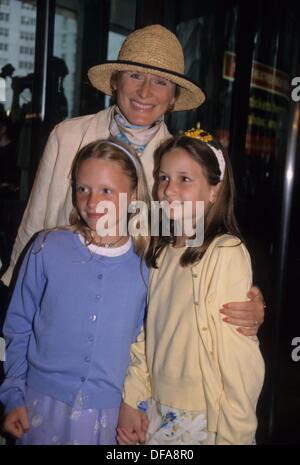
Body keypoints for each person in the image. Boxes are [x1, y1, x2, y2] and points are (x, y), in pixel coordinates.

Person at [1, 24, 263, 332]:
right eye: (135, 75)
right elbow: (35, 225)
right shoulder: (68, 136)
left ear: (174, 98)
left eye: (161, 82)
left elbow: (197, 246)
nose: (145, 92)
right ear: (115, 81)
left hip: (136, 320)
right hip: (59, 308)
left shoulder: (181, 165)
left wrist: (247, 298)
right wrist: (14, 299)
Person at [117, 130, 265, 445]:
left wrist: (236, 435)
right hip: (159, 410)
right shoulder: (163, 251)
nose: (169, 190)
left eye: (185, 179)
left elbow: (240, 357)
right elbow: (149, 332)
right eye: (163, 178)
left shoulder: (225, 251)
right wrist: (133, 398)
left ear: (214, 191)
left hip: (205, 417)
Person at [0, 139, 151, 445]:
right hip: (39, 406)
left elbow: (150, 343)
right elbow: (19, 326)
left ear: (134, 196)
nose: (92, 202)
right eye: (83, 189)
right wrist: (13, 394)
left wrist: (137, 404)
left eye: (106, 190)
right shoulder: (46, 247)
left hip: (111, 416)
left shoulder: (148, 266)